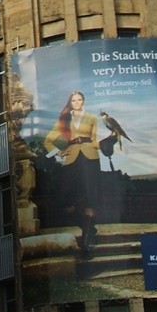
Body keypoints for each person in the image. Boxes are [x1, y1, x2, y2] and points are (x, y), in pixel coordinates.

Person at [43, 91, 102, 252]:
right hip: (72, 158)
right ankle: (90, 229)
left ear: (83, 101)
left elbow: (95, 139)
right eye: (74, 100)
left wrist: (108, 142)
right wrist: (59, 152)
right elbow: (48, 140)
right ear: (71, 102)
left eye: (80, 99)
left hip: (91, 158)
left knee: (90, 197)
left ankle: (86, 242)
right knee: (65, 199)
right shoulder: (65, 119)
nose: (77, 102)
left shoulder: (92, 118)